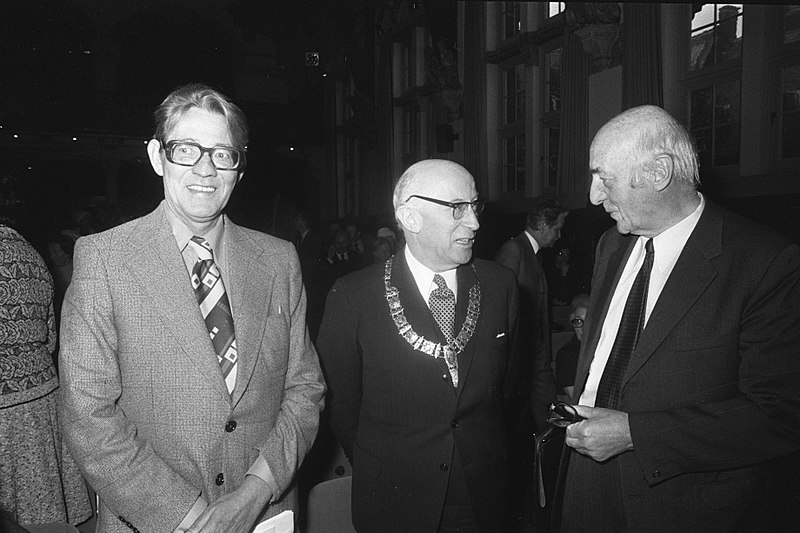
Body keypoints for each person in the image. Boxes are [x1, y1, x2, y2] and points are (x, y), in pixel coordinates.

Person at [58, 83, 325, 533]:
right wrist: (193, 518)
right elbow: (88, 417)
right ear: (157, 156)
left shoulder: (279, 260)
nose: (206, 168)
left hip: (265, 516)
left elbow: (305, 389)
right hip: (154, 521)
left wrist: (252, 495)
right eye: (186, 149)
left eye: (223, 153)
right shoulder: (105, 259)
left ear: (239, 168)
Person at [558, 105, 800, 532]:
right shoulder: (610, 245)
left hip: (683, 505)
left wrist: (636, 434)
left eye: (603, 177)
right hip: (587, 489)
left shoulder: (764, 262)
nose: (593, 196)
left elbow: (780, 414)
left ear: (659, 173)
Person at [316, 159, 520, 532]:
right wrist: (384, 464)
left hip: (482, 498)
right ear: (410, 217)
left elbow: (507, 389)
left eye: (475, 207)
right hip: (395, 502)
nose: (474, 223)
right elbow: (340, 404)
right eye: (458, 208)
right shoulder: (352, 296)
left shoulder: (500, 284)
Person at [1, 194, 92, 528]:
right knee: (44, 514)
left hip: (6, 418)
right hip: (43, 399)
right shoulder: (29, 253)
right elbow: (50, 335)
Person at [494, 198, 566, 432]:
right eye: (557, 229)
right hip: (520, 353)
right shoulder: (514, 250)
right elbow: (499, 304)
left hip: (535, 352)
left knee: (547, 411)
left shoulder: (533, 253)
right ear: (543, 225)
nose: (559, 236)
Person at [554, 293, 588, 402]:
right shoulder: (566, 355)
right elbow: (578, 400)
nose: (583, 329)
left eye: (588, 322)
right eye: (578, 321)